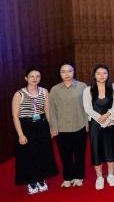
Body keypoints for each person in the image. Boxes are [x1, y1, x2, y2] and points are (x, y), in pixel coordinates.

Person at [12, 67, 58, 195]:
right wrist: (20, 135)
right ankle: (31, 181)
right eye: (32, 76)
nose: (35, 79)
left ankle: (41, 179)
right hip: (26, 127)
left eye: (38, 76)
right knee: (28, 155)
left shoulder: (44, 91)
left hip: (41, 126)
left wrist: (51, 127)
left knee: (43, 153)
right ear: (26, 78)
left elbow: (47, 111)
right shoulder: (19, 94)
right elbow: (15, 116)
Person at [49, 61, 88, 188]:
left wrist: (87, 124)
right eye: (63, 71)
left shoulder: (82, 86)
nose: (67, 74)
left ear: (74, 72)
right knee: (65, 155)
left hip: (79, 125)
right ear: (60, 73)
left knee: (80, 154)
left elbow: (87, 107)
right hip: (62, 128)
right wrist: (54, 127)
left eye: (69, 71)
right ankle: (67, 177)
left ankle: (79, 176)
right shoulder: (55, 90)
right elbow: (52, 110)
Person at [84, 65, 114, 190]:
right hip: (95, 124)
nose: (101, 75)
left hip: (110, 121)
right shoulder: (88, 89)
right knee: (96, 150)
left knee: (110, 149)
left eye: (104, 73)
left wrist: (107, 116)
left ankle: (110, 175)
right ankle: (99, 177)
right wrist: (100, 119)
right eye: (98, 73)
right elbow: (87, 108)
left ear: (108, 74)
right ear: (94, 75)